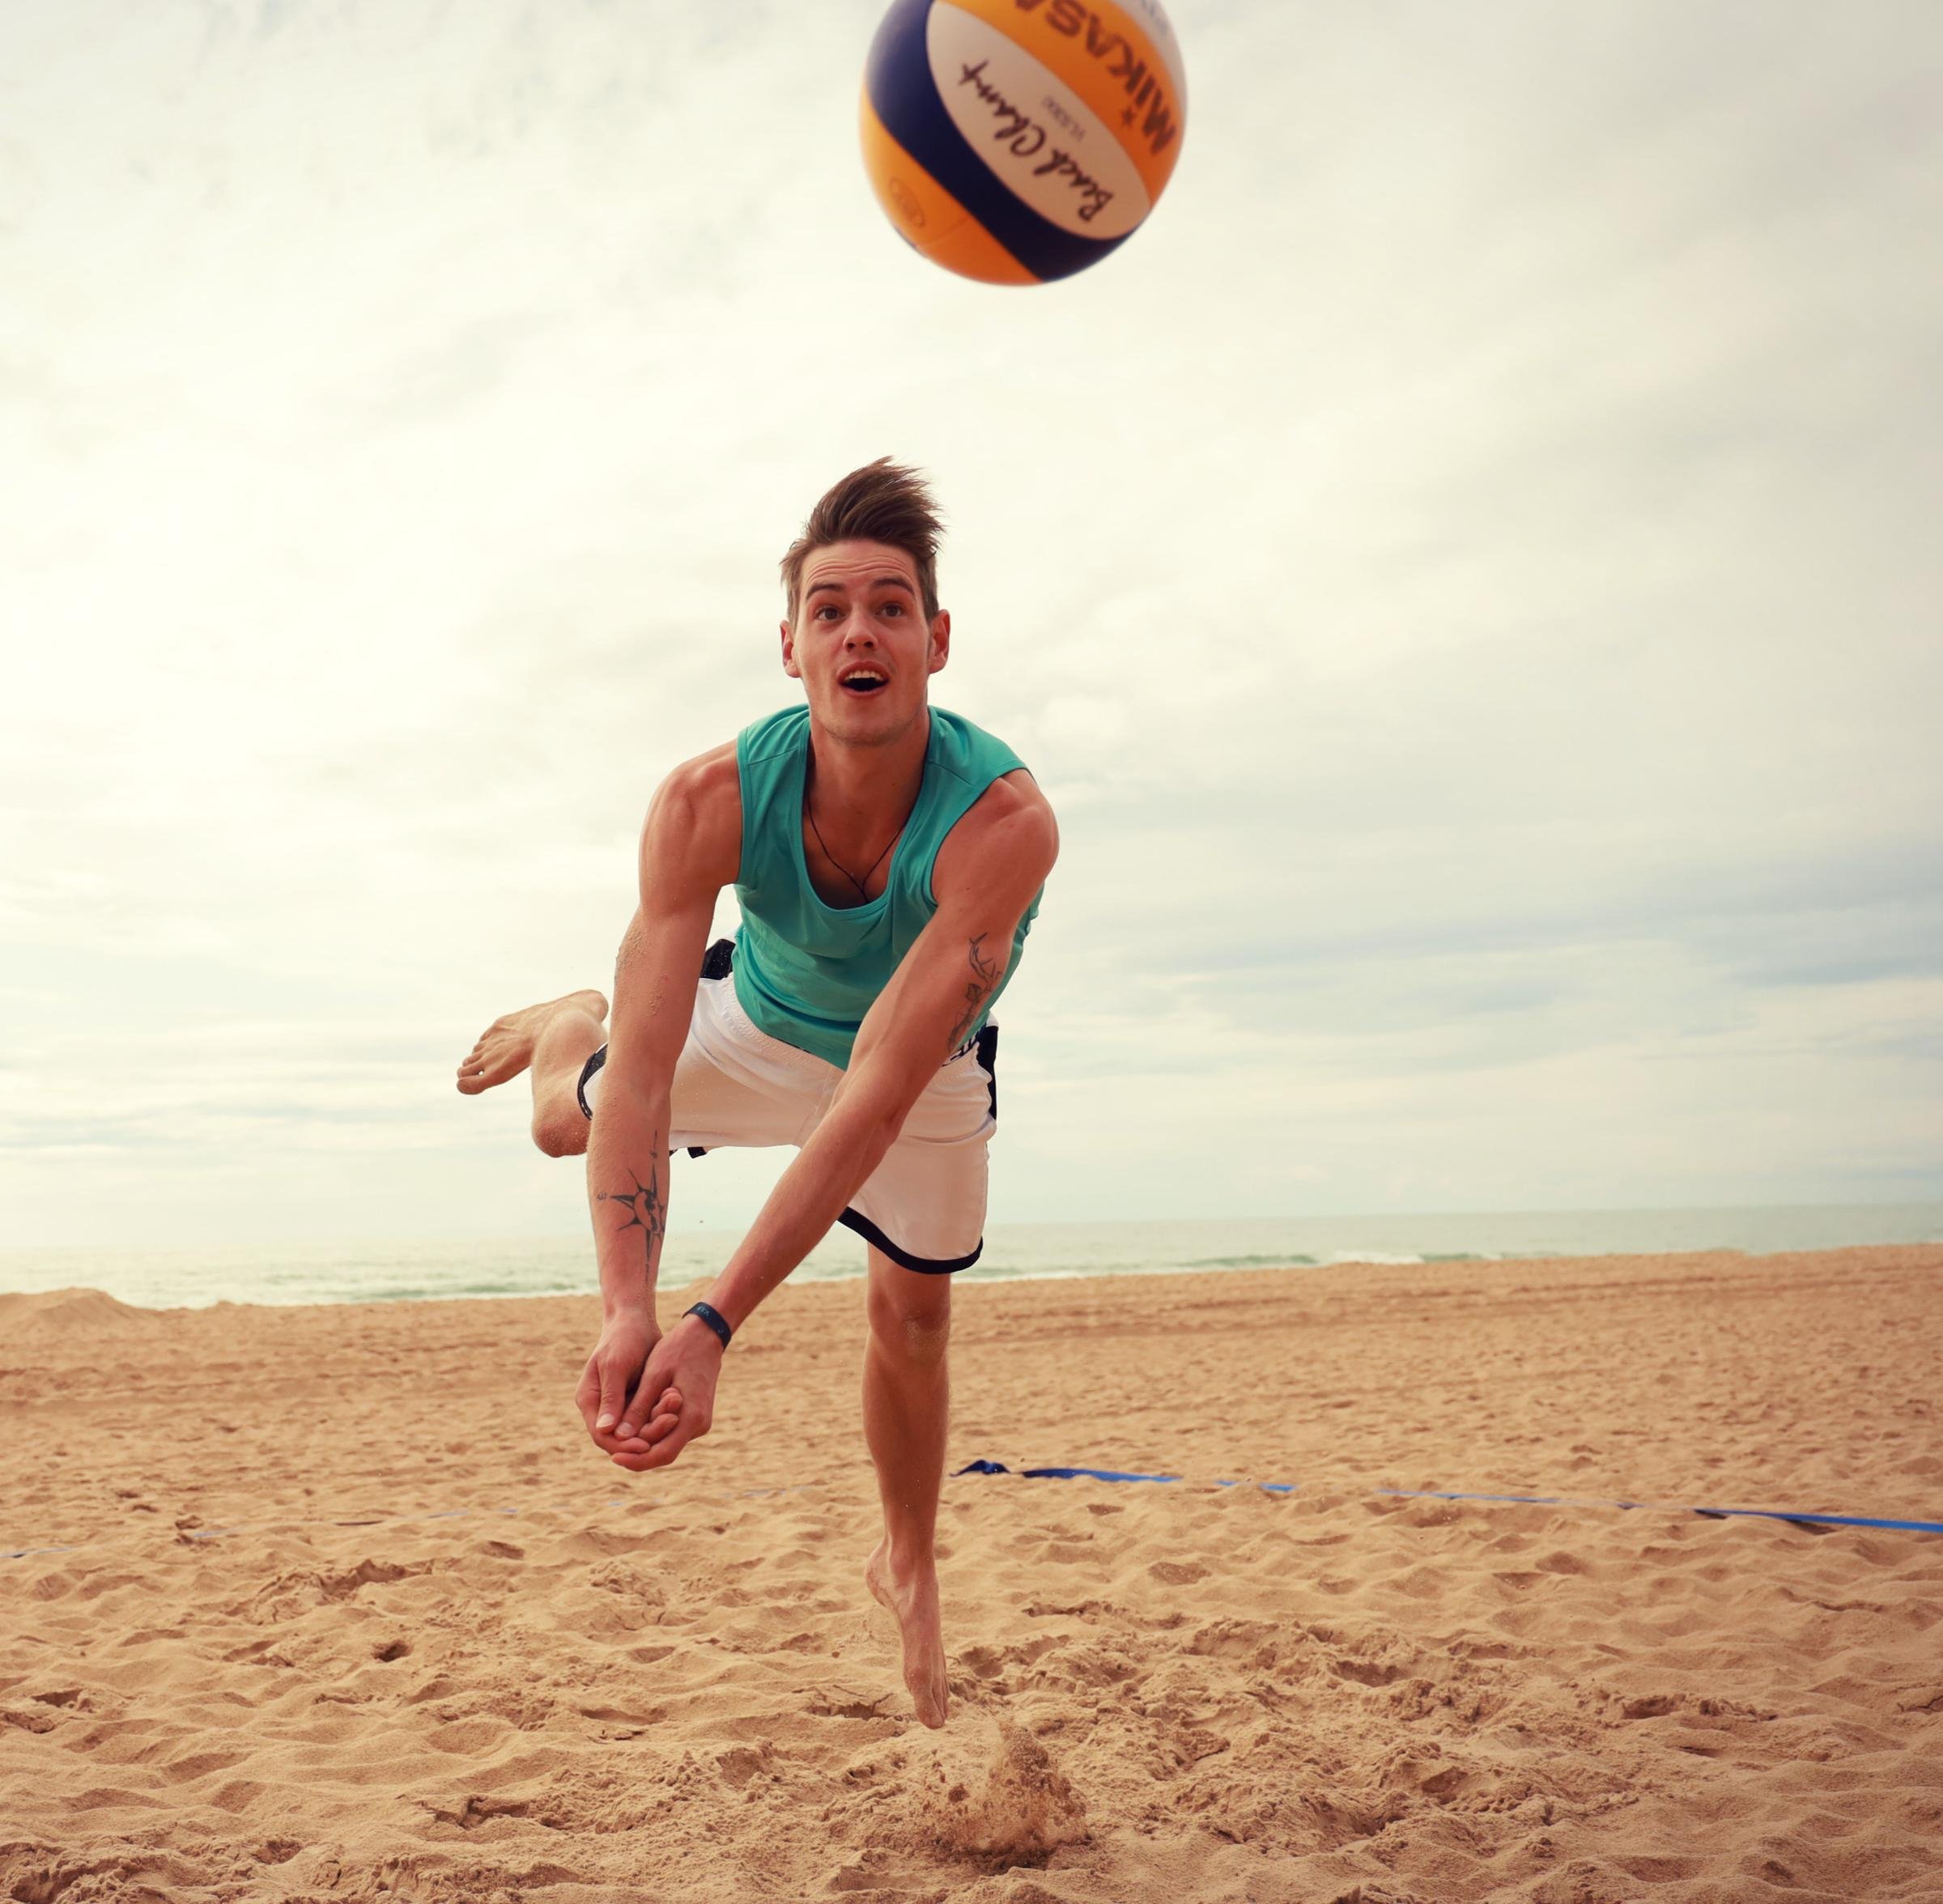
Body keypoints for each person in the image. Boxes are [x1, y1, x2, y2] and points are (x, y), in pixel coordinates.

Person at [454, 459, 1057, 1727]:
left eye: (891, 608)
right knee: (576, 1118)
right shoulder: (706, 803)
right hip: (757, 1022)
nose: (860, 631)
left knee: (914, 1315)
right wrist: (631, 1309)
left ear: (936, 642)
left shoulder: (1002, 824)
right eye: (829, 609)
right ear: (789, 648)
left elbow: (876, 1098)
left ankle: (906, 1555)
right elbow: (654, 1088)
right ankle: (573, 1025)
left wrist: (714, 1325)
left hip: (916, 1071)